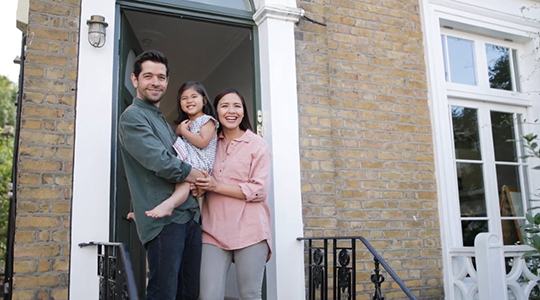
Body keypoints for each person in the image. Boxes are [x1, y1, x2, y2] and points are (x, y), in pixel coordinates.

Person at [118, 50, 204, 300]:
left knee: (189, 293)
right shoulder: (132, 118)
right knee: (163, 293)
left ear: (167, 81)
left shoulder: (162, 122)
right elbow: (162, 163)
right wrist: (196, 175)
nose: (155, 82)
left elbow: (180, 159)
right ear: (135, 80)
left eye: (161, 77)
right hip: (164, 223)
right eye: (148, 76)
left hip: (189, 216)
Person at [195, 88, 272, 300]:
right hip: (213, 230)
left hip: (250, 230)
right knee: (208, 296)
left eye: (237, 106)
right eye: (224, 106)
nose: (231, 111)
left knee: (249, 295)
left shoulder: (257, 144)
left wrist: (216, 186)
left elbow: (259, 189)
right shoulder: (209, 144)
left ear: (243, 112)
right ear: (216, 112)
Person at [145, 81, 218, 218]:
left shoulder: (208, 121)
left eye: (194, 96)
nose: (189, 101)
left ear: (204, 100)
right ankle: (146, 210)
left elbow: (203, 142)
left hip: (201, 165)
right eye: (184, 98)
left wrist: (183, 132)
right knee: (166, 182)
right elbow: (174, 139)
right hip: (187, 160)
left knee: (183, 183)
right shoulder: (184, 125)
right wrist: (180, 131)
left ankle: (169, 205)